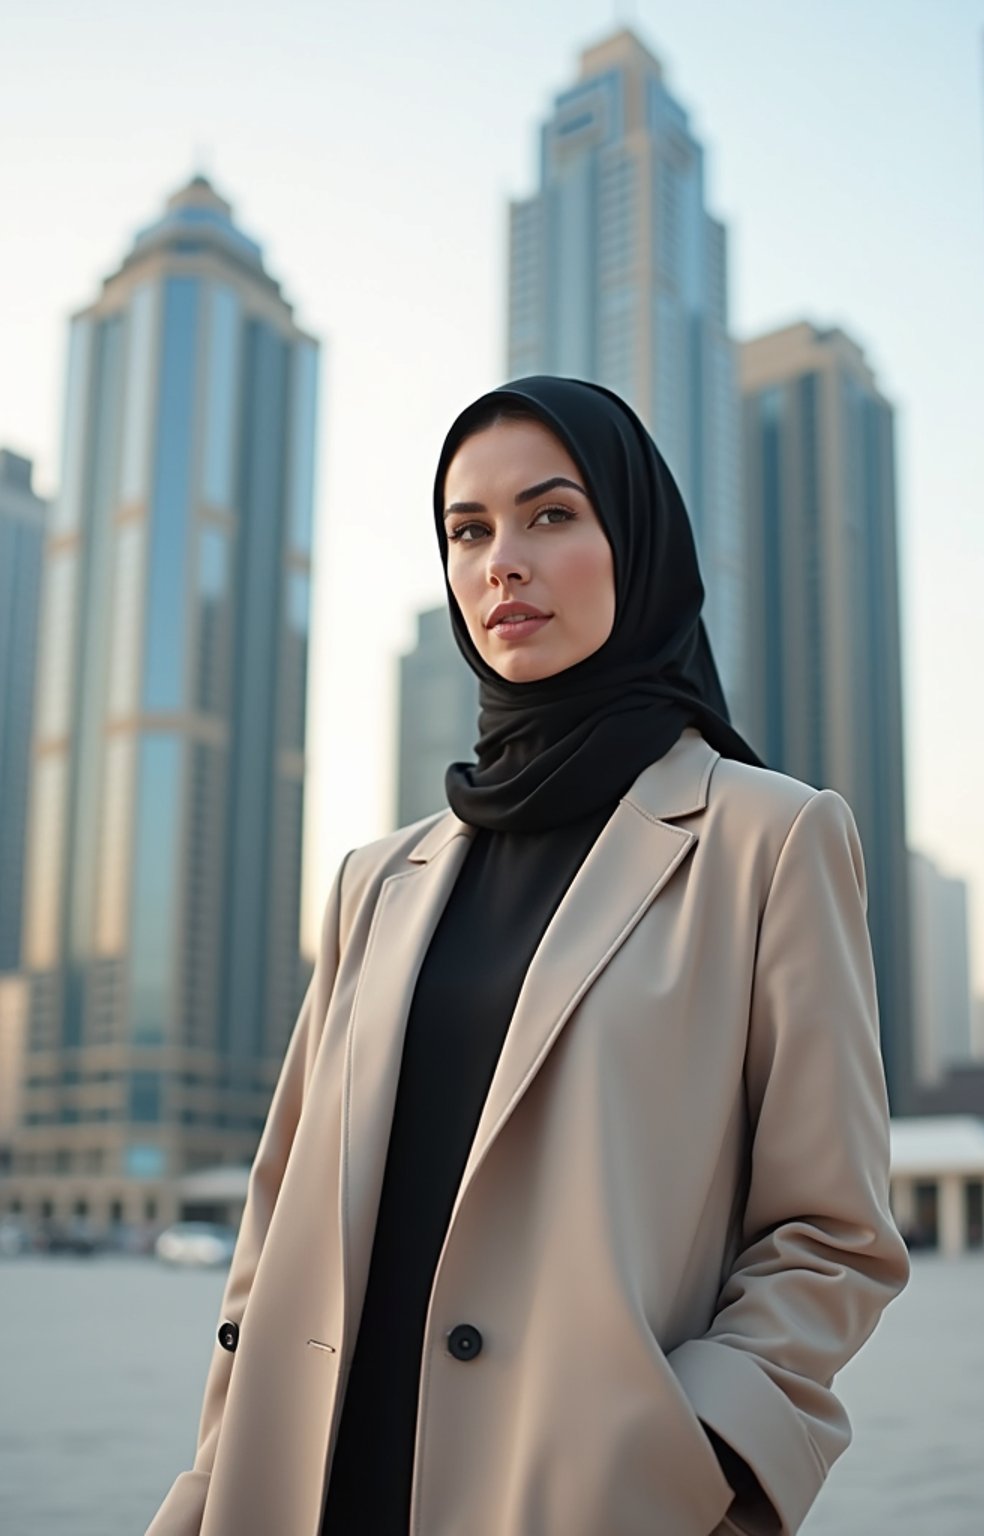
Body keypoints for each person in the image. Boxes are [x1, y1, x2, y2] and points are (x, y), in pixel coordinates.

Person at [147, 376, 910, 1536]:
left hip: (573, 1502)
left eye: (551, 514)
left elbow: (830, 1233)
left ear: (635, 542)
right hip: (298, 1492)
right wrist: (206, 1489)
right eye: (469, 530)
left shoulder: (768, 837)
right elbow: (269, 1240)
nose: (502, 560)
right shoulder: (375, 880)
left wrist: (693, 1459)